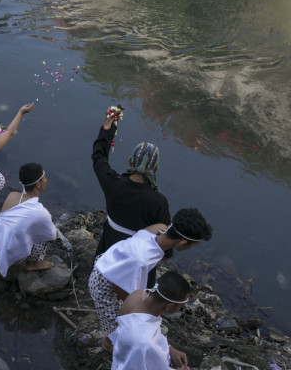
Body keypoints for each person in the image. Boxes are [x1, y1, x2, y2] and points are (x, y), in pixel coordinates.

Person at [89, 209, 212, 352]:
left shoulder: (159, 228)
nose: (191, 248)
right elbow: (117, 284)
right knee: (119, 322)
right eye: (192, 245)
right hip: (105, 282)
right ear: (183, 242)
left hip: (114, 262)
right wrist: (134, 308)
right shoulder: (141, 260)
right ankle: (110, 344)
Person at [92, 107, 171, 288]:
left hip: (107, 256)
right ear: (156, 169)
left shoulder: (113, 184)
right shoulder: (159, 201)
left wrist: (107, 129)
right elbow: (166, 244)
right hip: (137, 267)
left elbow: (98, 157)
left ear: (130, 162)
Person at [0, 163, 56, 276]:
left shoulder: (12, 195)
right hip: (12, 255)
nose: (46, 180)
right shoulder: (41, 212)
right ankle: (32, 264)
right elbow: (52, 238)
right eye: (44, 178)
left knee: (32, 227)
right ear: (38, 184)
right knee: (42, 232)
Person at [110, 271, 192, 370]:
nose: (179, 310)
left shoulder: (137, 295)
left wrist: (170, 349)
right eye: (180, 307)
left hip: (124, 355)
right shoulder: (146, 343)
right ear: (169, 306)